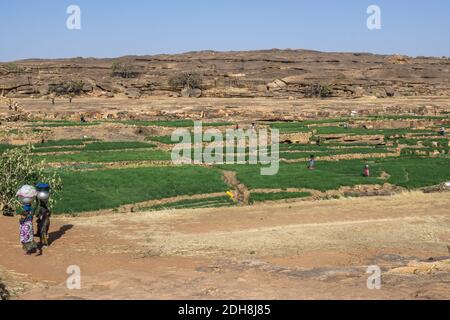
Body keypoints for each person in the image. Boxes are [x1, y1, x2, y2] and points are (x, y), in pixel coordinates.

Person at [16, 185, 38, 255]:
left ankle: (30, 248)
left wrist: (21, 220)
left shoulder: (26, 211)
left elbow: (22, 219)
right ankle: (31, 246)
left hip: (26, 225)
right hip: (27, 225)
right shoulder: (30, 210)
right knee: (27, 236)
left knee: (25, 237)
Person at [35, 183, 51, 251]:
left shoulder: (44, 208)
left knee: (43, 231)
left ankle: (45, 243)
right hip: (43, 219)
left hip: (45, 220)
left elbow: (45, 214)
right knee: (40, 228)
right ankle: (41, 239)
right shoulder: (42, 206)